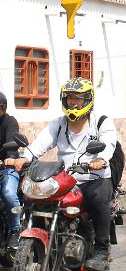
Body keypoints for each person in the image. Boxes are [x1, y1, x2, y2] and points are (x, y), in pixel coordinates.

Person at [8, 78, 116, 271]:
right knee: (34, 198)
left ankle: (101, 250)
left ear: (88, 100)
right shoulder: (58, 124)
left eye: (78, 99)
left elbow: (108, 145)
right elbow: (40, 144)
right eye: (69, 99)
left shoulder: (101, 122)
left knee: (98, 197)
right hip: (66, 180)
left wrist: (99, 160)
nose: (73, 103)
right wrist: (24, 157)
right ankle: (41, 239)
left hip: (93, 177)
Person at [0, 92, 20, 250]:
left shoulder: (10, 121)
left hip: (7, 167)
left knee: (8, 193)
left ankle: (15, 230)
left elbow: (12, 144)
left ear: (3, 108)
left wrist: (11, 157)